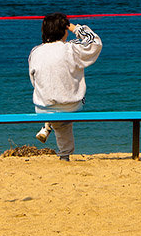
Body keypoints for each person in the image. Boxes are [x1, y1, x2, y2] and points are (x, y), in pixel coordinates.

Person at [28, 12, 102, 161]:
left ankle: (48, 126)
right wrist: (75, 28)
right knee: (67, 105)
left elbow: (34, 81)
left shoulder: (35, 52)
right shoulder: (71, 49)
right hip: (70, 105)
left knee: (54, 104)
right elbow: (95, 42)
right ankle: (64, 154)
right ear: (64, 30)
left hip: (43, 107)